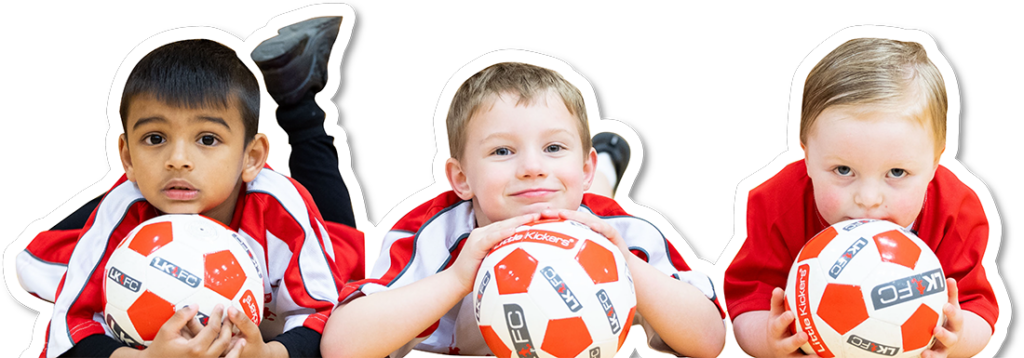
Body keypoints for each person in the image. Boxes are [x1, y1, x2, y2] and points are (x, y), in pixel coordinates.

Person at [321, 61, 726, 358]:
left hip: (588, 202)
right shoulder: (433, 236)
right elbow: (341, 346)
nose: (532, 167)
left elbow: (709, 339)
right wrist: (458, 278)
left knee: (589, 196)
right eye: (502, 151)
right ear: (461, 179)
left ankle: (605, 162)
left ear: (584, 169)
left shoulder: (620, 232)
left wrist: (627, 265)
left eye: (553, 147)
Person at [19, 18, 361, 358]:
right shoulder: (123, 207)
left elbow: (325, 317)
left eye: (207, 139)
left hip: (307, 231)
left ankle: (298, 97)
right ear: (126, 155)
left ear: (251, 157)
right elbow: (69, 330)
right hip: (137, 197)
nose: (178, 158)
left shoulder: (279, 206)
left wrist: (269, 355)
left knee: (346, 248)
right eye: (155, 138)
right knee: (36, 264)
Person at [724, 38, 998, 358]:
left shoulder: (957, 212)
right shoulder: (777, 203)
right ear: (807, 154)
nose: (868, 199)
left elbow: (977, 308)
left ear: (935, 163)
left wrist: (956, 340)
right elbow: (747, 303)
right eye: (843, 169)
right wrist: (770, 342)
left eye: (896, 173)